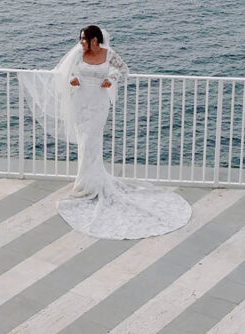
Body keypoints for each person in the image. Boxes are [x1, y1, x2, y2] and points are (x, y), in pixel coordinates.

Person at [19, 25, 191, 239]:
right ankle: (85, 184)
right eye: (81, 39)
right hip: (81, 101)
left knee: (93, 141)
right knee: (85, 142)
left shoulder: (109, 54)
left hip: (99, 103)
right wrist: (73, 80)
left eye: (84, 39)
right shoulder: (79, 54)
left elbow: (123, 70)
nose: (81, 42)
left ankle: (92, 184)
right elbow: (65, 73)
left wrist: (112, 80)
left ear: (94, 39)